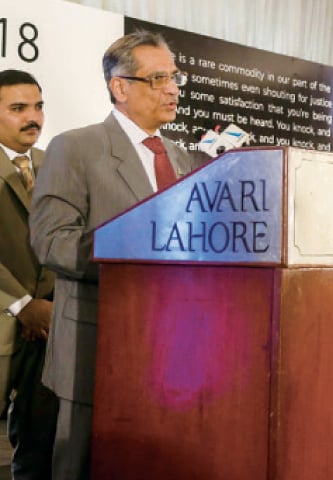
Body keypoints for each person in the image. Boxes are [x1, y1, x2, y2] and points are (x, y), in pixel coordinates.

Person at [29, 31, 202, 479]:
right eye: (158, 78)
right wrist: (133, 249)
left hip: (175, 347)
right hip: (97, 343)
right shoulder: (76, 147)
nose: (172, 89)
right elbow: (52, 240)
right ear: (120, 87)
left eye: (175, 77)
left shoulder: (183, 158)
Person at [0, 69, 58, 480]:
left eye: (38, 106)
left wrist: (48, 307)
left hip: (48, 328)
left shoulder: (49, 163)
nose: (32, 117)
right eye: (18, 108)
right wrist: (22, 305)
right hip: (9, 317)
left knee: (39, 442)